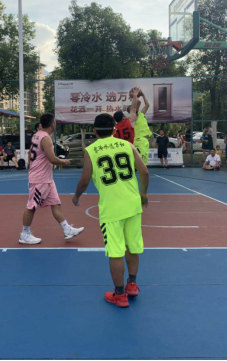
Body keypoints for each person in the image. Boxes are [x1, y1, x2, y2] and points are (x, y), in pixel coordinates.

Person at [73, 113, 149, 308]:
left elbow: (85, 179)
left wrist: (76, 196)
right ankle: (132, 285)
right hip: (133, 205)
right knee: (132, 246)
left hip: (111, 209)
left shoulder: (91, 150)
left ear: (94, 131)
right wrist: (143, 194)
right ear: (115, 129)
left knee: (115, 252)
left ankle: (120, 295)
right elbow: (144, 171)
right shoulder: (128, 146)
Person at [20, 113, 84, 245]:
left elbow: (31, 152)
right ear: (53, 124)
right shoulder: (46, 138)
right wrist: (65, 161)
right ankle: (25, 234)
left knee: (56, 203)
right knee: (32, 206)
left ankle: (67, 229)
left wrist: (31, 168)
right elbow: (52, 159)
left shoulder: (36, 135)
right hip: (40, 179)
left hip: (46, 178)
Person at [129, 89, 152, 165]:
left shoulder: (141, 114)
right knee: (140, 165)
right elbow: (136, 104)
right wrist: (135, 95)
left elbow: (147, 105)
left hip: (145, 141)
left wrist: (143, 95)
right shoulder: (132, 117)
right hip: (139, 141)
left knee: (143, 164)